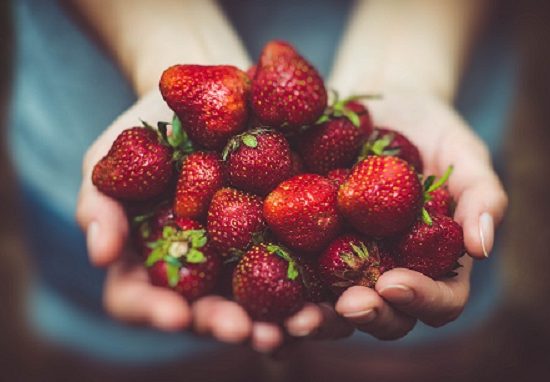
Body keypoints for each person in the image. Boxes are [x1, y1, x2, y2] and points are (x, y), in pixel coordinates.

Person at [8, 0, 509, 364]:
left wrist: (407, 71)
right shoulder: (241, 173)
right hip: (87, 105)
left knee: (396, 362)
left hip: (441, 55)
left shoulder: (344, 181)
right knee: (151, 362)